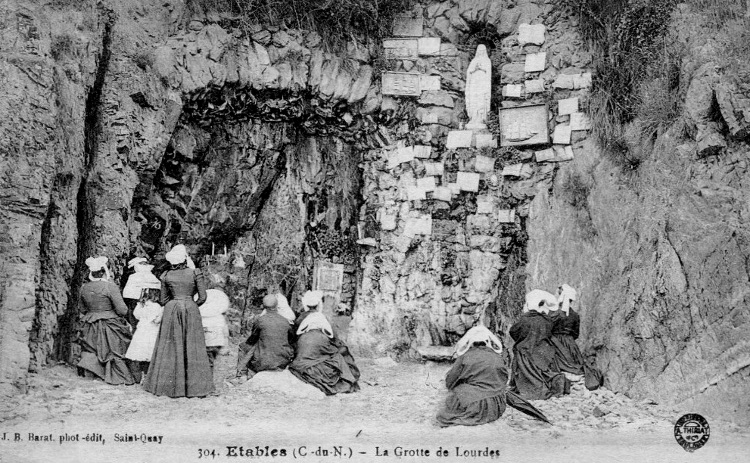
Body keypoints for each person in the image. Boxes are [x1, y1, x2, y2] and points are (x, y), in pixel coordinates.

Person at [142, 244, 214, 398]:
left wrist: (175, 302)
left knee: (170, 346)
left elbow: (163, 299)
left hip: (172, 308)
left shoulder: (166, 275)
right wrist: (191, 305)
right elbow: (203, 297)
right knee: (193, 345)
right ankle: (195, 389)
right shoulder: (195, 273)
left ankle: (168, 387)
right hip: (190, 307)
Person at [76, 256, 138, 385]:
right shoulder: (110, 287)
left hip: (90, 322)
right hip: (110, 323)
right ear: (104, 271)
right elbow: (122, 310)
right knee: (114, 349)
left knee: (91, 348)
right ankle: (116, 375)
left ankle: (92, 372)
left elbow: (82, 309)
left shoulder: (83, 288)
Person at [436, 325, 508, 427]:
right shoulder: (497, 357)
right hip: (496, 406)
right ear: (487, 342)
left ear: (471, 343)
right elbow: (503, 380)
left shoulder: (465, 357)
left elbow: (450, 382)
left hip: (473, 404)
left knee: (454, 398)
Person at [509, 290, 569, 400]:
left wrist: (523, 339)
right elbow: (549, 332)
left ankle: (524, 387)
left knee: (520, 354)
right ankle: (555, 379)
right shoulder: (546, 319)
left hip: (527, 349)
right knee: (543, 369)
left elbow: (513, 331)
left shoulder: (524, 319)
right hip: (543, 349)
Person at [289, 312, 360, 395]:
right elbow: (333, 352)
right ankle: (349, 379)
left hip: (300, 367)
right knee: (339, 356)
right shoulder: (322, 337)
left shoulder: (302, 337)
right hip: (312, 369)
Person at [235, 294, 295, 382]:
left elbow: (252, 340)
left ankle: (242, 375)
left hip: (262, 363)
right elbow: (291, 340)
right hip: (282, 362)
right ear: (277, 305)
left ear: (263, 306)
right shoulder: (285, 321)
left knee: (243, 346)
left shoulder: (260, 320)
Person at [548, 284, 585, 379]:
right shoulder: (575, 315)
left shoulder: (552, 313)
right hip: (570, 343)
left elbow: (547, 329)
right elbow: (576, 334)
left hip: (554, 341)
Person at [125, 287, 163, 379]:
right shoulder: (156, 306)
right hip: (151, 331)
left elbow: (137, 316)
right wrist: (162, 312)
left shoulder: (140, 305)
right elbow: (156, 321)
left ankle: (141, 375)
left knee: (141, 353)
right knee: (150, 353)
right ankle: (148, 376)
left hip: (141, 331)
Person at [199, 288, 230, 376]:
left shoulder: (201, 317)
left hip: (206, 343)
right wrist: (226, 344)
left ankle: (207, 380)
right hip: (217, 343)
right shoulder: (219, 317)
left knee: (206, 362)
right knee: (211, 361)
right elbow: (225, 332)